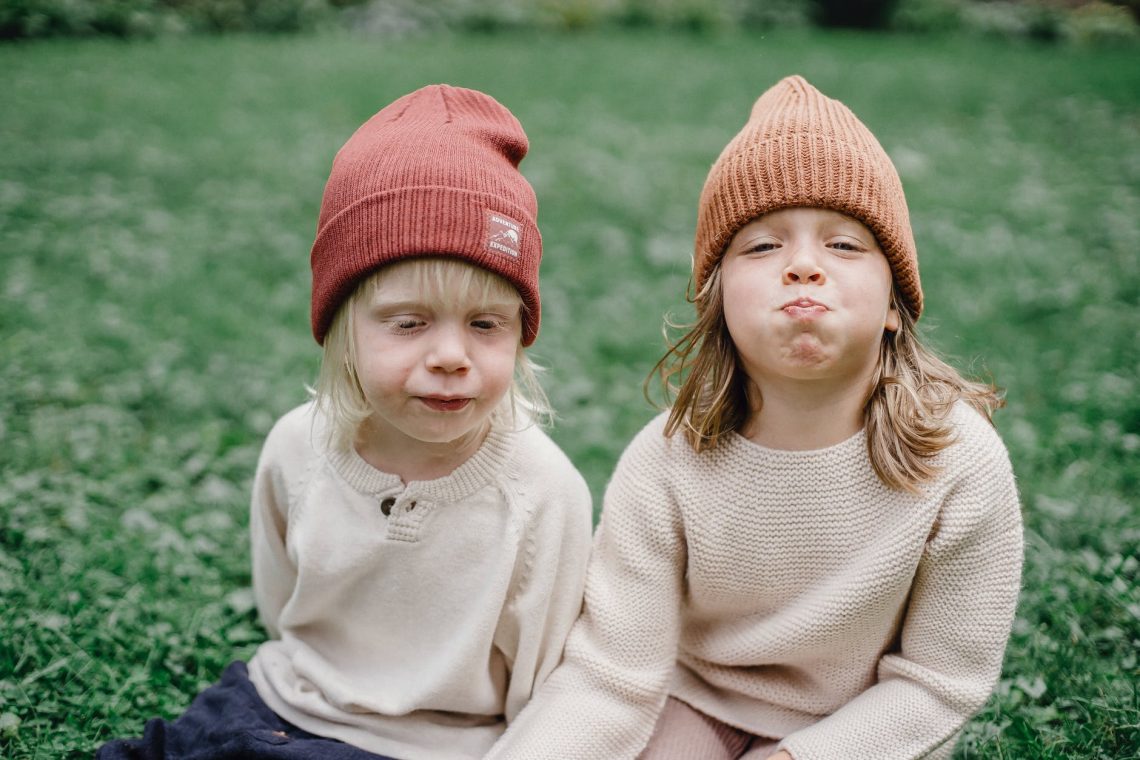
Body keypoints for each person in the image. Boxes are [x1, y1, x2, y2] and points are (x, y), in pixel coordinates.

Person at [486, 75, 1023, 760]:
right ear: (719, 306)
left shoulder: (958, 460)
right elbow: (611, 675)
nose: (803, 265)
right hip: (698, 700)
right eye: (762, 247)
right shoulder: (666, 462)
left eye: (845, 246)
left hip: (868, 727)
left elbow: (941, 682)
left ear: (896, 305)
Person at [98, 84, 593, 760]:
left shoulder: (542, 490)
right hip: (277, 701)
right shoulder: (298, 446)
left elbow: (545, 679)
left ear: (521, 334)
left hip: (427, 748)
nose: (451, 356)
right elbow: (281, 596)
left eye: (485, 324)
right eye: (409, 322)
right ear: (342, 330)